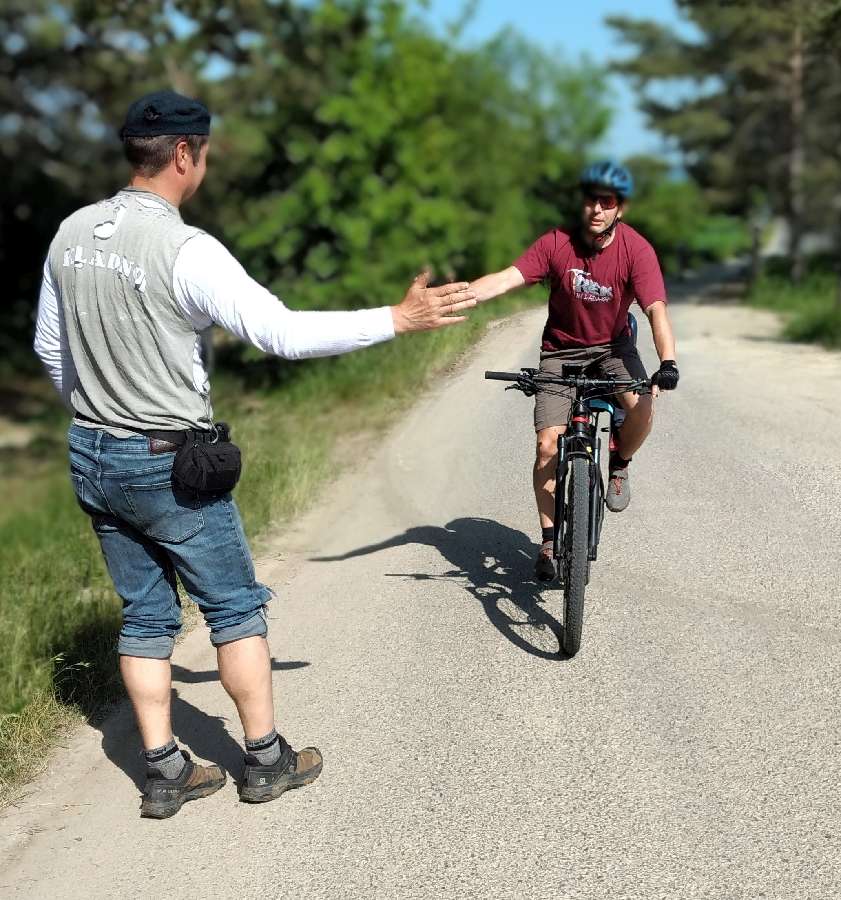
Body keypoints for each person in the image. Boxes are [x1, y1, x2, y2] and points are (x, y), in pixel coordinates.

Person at [33, 90, 476, 818]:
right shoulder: (187, 250)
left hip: (92, 451)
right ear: (184, 154)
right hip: (168, 460)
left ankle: (163, 770)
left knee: (144, 615)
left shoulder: (69, 233)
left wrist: (100, 417)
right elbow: (281, 333)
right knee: (234, 607)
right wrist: (396, 320)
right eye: (204, 153)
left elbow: (50, 346)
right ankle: (266, 760)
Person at [468, 161, 679, 581]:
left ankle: (620, 461)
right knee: (547, 445)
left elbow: (655, 309)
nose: (597, 209)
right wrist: (458, 298)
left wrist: (668, 362)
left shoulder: (636, 249)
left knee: (643, 408)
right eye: (590, 200)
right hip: (561, 351)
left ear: (620, 207)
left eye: (607, 202)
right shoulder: (556, 243)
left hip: (613, 349)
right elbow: (507, 279)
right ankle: (549, 541)